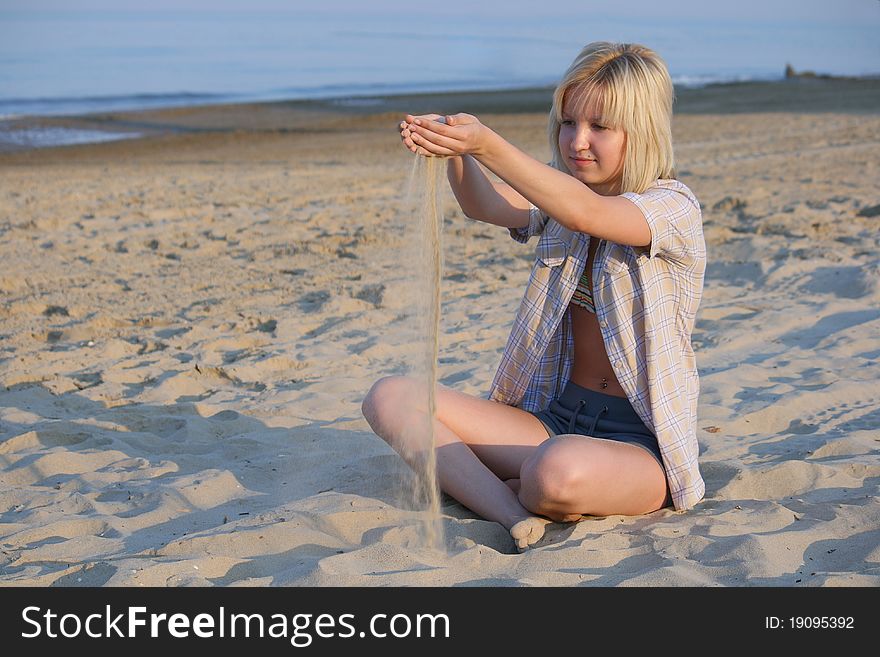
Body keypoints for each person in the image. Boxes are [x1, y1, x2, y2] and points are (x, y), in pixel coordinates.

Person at [361, 42, 706, 551]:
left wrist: (487, 144)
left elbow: (587, 215)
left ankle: (491, 486)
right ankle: (507, 510)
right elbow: (483, 205)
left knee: (555, 473)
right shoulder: (559, 194)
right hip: (552, 419)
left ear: (644, 131)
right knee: (389, 397)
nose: (578, 141)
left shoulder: (672, 207)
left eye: (600, 127)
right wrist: (456, 148)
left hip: (637, 445)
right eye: (568, 122)